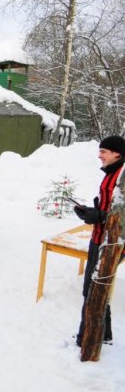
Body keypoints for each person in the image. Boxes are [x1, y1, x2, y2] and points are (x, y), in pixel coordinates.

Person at [73, 136, 125, 347]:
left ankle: (86, 339)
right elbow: (108, 206)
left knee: (93, 289)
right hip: (100, 238)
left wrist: (99, 216)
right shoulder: (112, 173)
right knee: (97, 286)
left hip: (111, 243)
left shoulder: (122, 178)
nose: (99, 155)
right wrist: (91, 212)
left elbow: (120, 216)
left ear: (117, 154)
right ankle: (104, 334)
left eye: (104, 151)